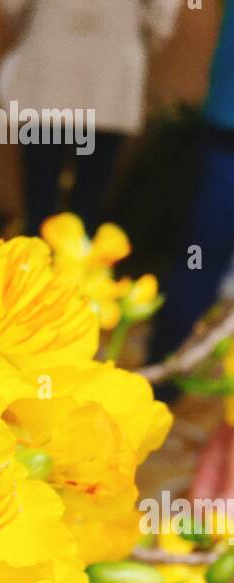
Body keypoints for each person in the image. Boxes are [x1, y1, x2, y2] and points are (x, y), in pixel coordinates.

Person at [0, 0, 183, 234]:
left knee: (39, 202)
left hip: (49, 58)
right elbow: (162, 15)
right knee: (87, 205)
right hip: (113, 67)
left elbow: (12, 5)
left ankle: (34, 260)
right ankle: (77, 261)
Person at [149, 0, 234, 362]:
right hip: (225, 124)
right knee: (199, 256)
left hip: (225, 120)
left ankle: (166, 368)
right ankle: (167, 368)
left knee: (200, 254)